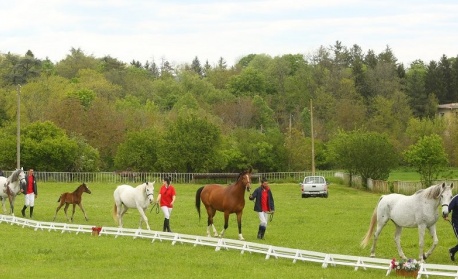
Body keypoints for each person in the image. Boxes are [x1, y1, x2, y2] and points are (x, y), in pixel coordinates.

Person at [446, 193, 458, 261]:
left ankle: (452, 250)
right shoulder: (455, 198)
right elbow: (448, 208)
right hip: (456, 224)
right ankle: (452, 251)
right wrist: (446, 216)